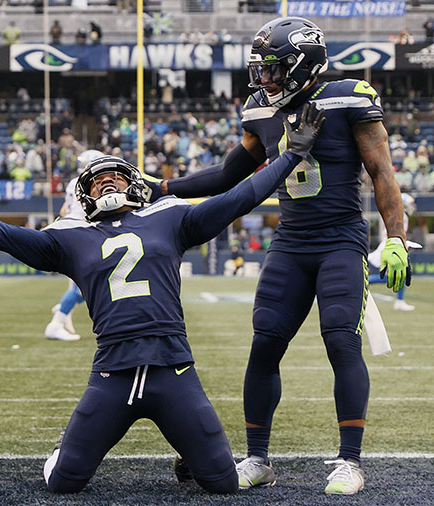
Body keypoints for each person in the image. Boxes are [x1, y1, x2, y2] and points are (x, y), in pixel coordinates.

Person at [0, 104, 325, 494]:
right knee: (64, 483)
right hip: (112, 375)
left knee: (223, 484)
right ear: (84, 196)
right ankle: (66, 449)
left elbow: (239, 198)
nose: (108, 183)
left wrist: (289, 157)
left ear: (137, 186)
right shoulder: (68, 237)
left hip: (173, 368)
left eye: (116, 177)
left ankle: (192, 453)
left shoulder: (169, 216)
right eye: (98, 181)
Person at [148, 17, 407, 495]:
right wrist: (163, 186)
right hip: (290, 241)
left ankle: (350, 461)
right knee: (265, 341)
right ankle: (258, 457)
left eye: (273, 68)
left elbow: (381, 170)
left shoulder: (348, 95)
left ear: (304, 63)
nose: (264, 79)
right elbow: (228, 173)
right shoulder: (260, 108)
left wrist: (394, 236)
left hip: (340, 238)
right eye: (259, 69)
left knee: (340, 342)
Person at [44, 149, 102, 342]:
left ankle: (63, 310)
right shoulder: (90, 184)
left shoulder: (73, 183)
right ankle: (57, 321)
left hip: (73, 234)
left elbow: (63, 209)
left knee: (82, 288)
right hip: (80, 236)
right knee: (81, 288)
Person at [369, 194, 419, 311]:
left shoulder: (399, 214)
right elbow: (393, 232)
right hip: (391, 247)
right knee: (395, 275)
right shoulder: (400, 215)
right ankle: (363, 282)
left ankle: (400, 301)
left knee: (399, 274)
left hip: (391, 245)